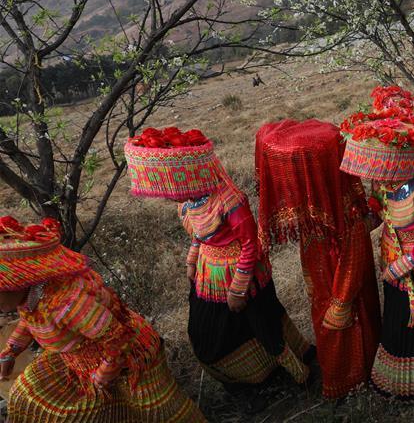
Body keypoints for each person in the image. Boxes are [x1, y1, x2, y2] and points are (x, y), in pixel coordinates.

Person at [124, 128, 313, 403]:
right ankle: (251, 379)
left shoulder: (230, 201)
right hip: (209, 273)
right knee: (208, 334)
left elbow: (251, 244)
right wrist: (192, 262)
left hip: (242, 274)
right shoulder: (188, 201)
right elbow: (199, 237)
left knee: (265, 327)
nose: (168, 197)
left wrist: (238, 289)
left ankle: (301, 376)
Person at [0, 216, 205, 422]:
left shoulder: (66, 303)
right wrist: (10, 352)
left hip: (129, 356)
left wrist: (103, 375)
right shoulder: (32, 296)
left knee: (158, 412)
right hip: (82, 356)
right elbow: (30, 321)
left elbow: (117, 337)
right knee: (29, 394)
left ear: (16, 283)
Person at [255, 119, 381, 399]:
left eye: (296, 175)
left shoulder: (343, 212)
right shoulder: (314, 211)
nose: (290, 185)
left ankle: (354, 384)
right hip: (321, 282)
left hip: (343, 290)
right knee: (327, 329)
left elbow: (355, 256)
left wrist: (342, 301)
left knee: (342, 329)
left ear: (314, 175)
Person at [340, 95, 414, 399]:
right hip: (390, 261)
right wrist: (360, 228)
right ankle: (393, 379)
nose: (375, 174)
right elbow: (381, 213)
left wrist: (399, 267)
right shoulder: (384, 184)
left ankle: (412, 384)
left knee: (410, 323)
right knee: (394, 316)